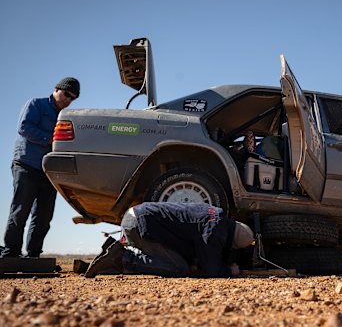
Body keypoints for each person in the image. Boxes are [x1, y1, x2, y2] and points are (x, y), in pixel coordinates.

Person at [1, 77, 80, 258]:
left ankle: (33, 255)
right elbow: (24, 127)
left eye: (73, 98)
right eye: (67, 94)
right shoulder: (36, 104)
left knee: (44, 215)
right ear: (56, 89)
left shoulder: (65, 117)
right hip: (26, 165)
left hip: (49, 171)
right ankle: (11, 253)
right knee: (21, 210)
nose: (68, 100)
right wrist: (50, 139)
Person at [84, 202, 255, 278]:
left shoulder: (215, 215)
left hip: (137, 217)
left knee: (177, 260)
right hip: (140, 224)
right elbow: (211, 269)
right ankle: (121, 258)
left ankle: (107, 253)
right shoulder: (215, 230)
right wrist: (229, 270)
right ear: (232, 243)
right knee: (179, 268)